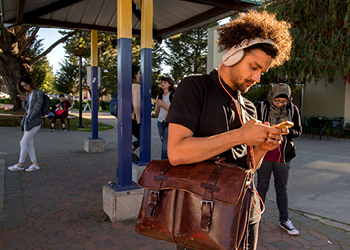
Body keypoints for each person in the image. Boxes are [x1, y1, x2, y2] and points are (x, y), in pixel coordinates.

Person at [166, 10, 292, 250]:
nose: (256, 78)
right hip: (202, 218)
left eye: (262, 72)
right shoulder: (195, 87)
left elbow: (249, 167)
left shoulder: (249, 108)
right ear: (233, 54)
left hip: (246, 212)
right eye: (253, 67)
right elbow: (177, 152)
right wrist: (240, 135)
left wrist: (263, 147)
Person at [256, 83, 302, 235]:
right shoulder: (262, 107)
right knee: (262, 187)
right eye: (277, 100)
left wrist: (288, 132)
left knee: (282, 188)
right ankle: (256, 219)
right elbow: (254, 128)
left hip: (283, 156)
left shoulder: (292, 109)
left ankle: (285, 220)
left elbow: (298, 131)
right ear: (271, 97)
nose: (280, 104)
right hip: (265, 154)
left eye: (283, 101)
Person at [8, 76, 43, 172]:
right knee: (29, 143)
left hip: (34, 122)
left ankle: (20, 164)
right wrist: (24, 101)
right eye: (23, 86)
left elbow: (38, 107)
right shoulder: (28, 94)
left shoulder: (38, 92)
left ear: (30, 83)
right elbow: (27, 108)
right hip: (27, 120)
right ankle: (35, 164)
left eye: (25, 85)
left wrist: (30, 118)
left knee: (23, 142)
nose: (24, 88)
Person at [154, 77, 175, 159]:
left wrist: (163, 105)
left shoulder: (173, 95)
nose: (162, 84)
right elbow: (156, 112)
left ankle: (164, 163)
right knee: (164, 144)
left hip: (169, 122)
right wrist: (158, 105)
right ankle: (169, 160)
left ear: (170, 84)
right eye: (162, 82)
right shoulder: (159, 96)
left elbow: (174, 110)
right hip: (160, 122)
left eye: (165, 82)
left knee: (165, 147)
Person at [131, 65, 141, 156]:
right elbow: (137, 105)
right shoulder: (136, 87)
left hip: (123, 118)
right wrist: (139, 118)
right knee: (144, 138)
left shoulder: (123, 86)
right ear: (134, 74)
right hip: (133, 119)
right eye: (139, 73)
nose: (140, 76)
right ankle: (132, 147)